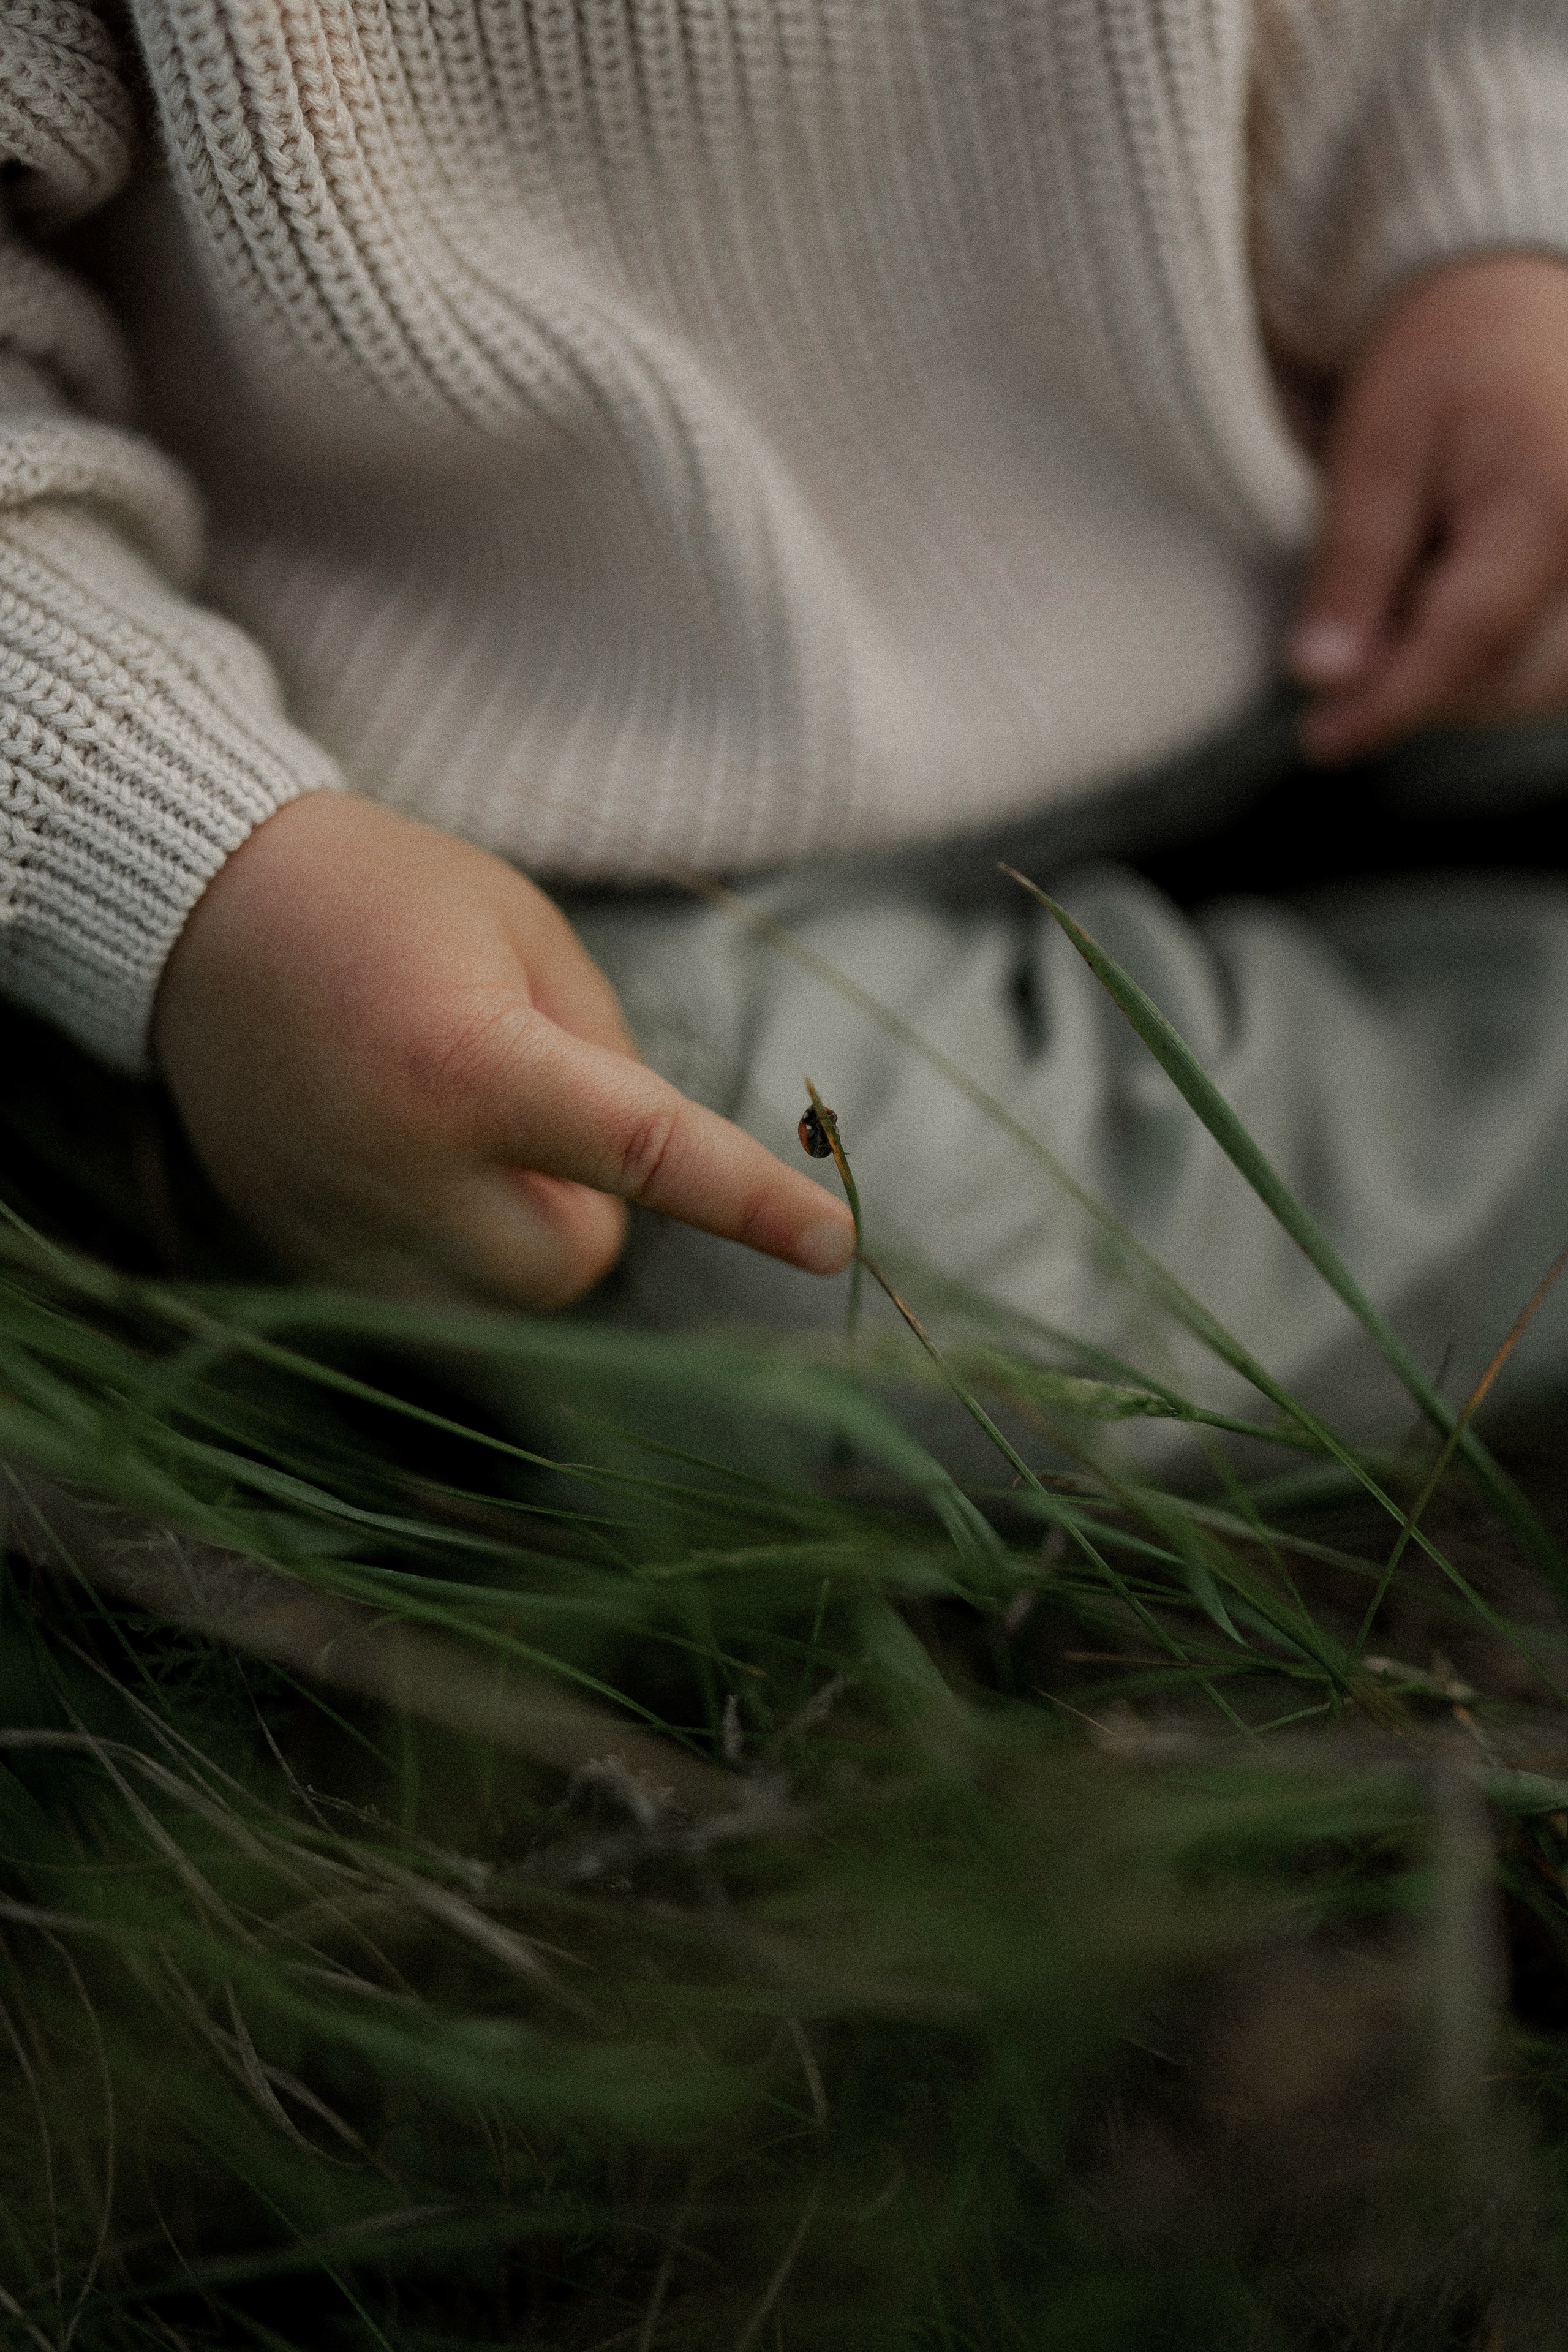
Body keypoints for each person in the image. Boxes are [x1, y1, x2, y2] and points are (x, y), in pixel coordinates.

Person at [6, 0, 1568, 1428]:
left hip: (1343, 528)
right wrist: (192, 850)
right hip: (543, 819)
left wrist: (1493, 221)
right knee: (782, 1267)